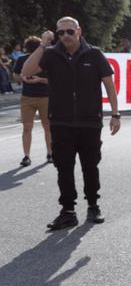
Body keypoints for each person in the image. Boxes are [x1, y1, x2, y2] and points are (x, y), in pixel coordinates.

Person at [20, 18, 121, 229]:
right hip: (61, 122)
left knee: (90, 166)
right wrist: (43, 44)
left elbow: (109, 84)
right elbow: (27, 72)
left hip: (90, 122)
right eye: (60, 32)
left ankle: (93, 206)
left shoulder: (93, 53)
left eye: (69, 31)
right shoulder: (50, 54)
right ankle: (68, 211)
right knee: (63, 168)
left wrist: (115, 114)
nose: (65, 36)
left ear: (78, 31)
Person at [11, 35, 53, 166]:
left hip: (45, 97)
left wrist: (40, 80)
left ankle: (50, 153)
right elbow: (15, 76)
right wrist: (22, 78)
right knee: (27, 127)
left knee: (47, 127)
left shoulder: (46, 60)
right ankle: (26, 156)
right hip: (27, 97)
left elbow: (54, 80)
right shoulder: (22, 59)